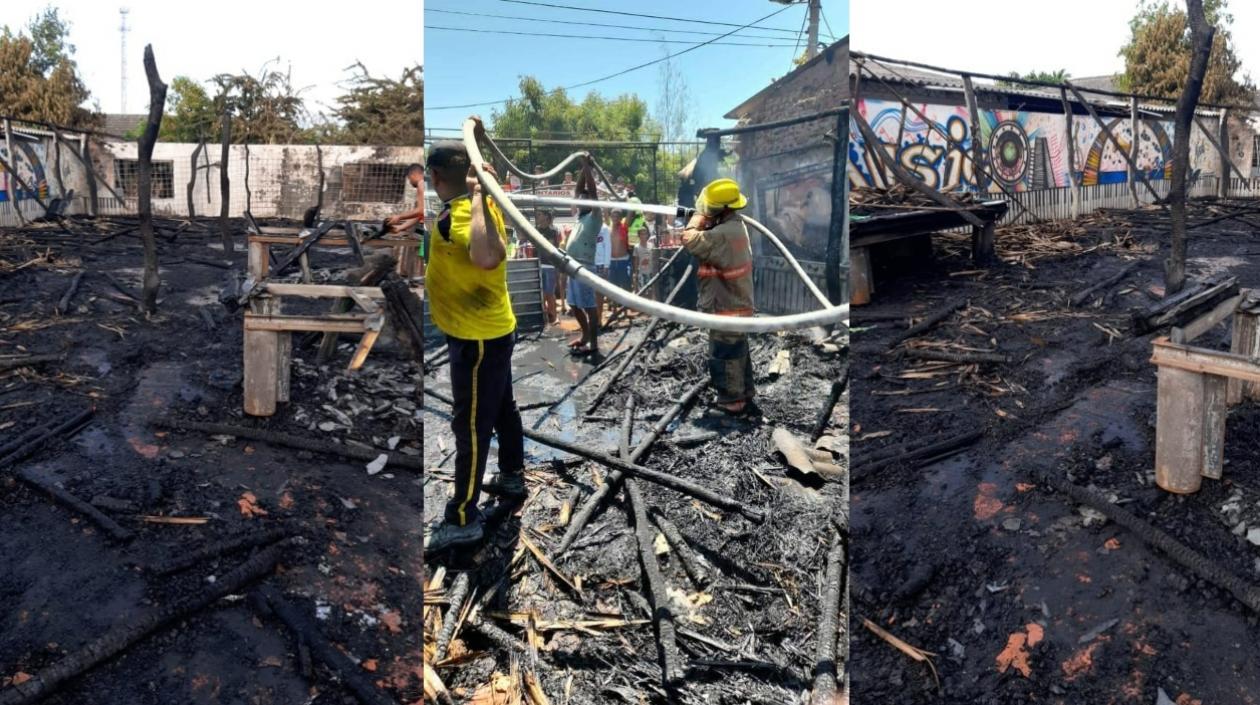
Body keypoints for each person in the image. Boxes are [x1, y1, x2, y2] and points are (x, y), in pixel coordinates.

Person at [423, 125, 526, 554]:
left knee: (470, 426)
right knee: (501, 407)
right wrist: (480, 185)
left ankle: (463, 518)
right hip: (489, 332)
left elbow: (486, 257)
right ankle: (512, 476)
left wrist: (479, 192)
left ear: (433, 176)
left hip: (476, 339)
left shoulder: (468, 211)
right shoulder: (476, 201)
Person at [681, 177, 758, 416]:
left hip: (727, 306)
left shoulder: (724, 232)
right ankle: (744, 394)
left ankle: (731, 403)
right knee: (737, 349)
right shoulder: (733, 226)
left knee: (724, 353)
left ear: (720, 209)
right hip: (735, 302)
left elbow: (689, 240)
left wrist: (698, 218)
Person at [565, 158, 604, 361]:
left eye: (584, 200)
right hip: (572, 267)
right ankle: (585, 335)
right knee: (573, 304)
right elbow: (579, 189)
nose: (580, 201)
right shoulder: (580, 217)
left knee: (589, 307)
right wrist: (583, 167)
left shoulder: (595, 216)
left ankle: (594, 344)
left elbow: (592, 192)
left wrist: (588, 168)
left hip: (585, 267)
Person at [383, 163, 426, 274]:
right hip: (428, 228)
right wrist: (400, 228)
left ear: (413, 175)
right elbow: (420, 215)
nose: (410, 182)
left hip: (432, 229)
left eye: (409, 179)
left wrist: (399, 217)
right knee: (423, 260)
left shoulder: (422, 184)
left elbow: (420, 210)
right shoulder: (427, 184)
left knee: (427, 262)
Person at [536, 209, 561, 325]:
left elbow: (551, 247)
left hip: (550, 266)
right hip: (538, 264)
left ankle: (554, 316)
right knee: (541, 293)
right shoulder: (536, 230)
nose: (537, 216)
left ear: (546, 216)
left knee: (550, 293)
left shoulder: (553, 231)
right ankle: (546, 315)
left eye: (540, 214)